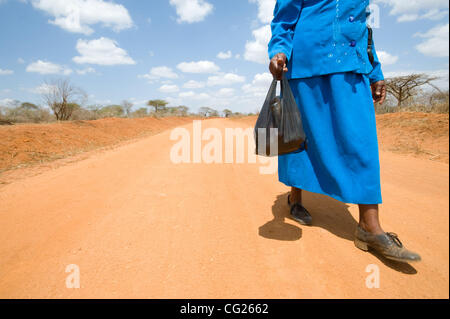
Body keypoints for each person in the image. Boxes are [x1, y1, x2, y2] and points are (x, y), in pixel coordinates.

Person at [268, 0, 420, 263]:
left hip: (352, 64)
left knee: (360, 141)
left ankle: (369, 227)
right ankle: (295, 197)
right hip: (306, 63)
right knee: (299, 137)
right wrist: (280, 50)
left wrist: (375, 70)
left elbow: (363, 27)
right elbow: (285, 18)